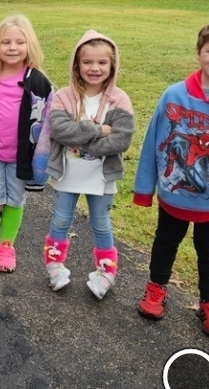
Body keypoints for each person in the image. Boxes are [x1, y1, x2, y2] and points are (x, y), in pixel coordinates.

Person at [133, 16, 209, 340]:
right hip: (174, 195)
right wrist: (144, 189)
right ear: (198, 52)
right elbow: (152, 141)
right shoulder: (175, 95)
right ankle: (155, 288)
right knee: (165, 241)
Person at [43, 30, 134, 299]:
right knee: (61, 220)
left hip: (102, 177)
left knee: (101, 223)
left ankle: (106, 271)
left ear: (112, 66)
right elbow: (59, 130)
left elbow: (122, 139)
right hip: (67, 173)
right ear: (76, 65)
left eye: (102, 63)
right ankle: (54, 265)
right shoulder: (64, 96)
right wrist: (98, 129)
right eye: (87, 62)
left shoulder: (119, 99)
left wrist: (83, 140)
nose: (94, 68)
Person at [0, 15, 54, 273]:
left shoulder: (39, 82)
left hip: (22, 156)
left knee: (15, 200)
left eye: (20, 41)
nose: (13, 47)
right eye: (6, 42)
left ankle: (7, 244)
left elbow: (51, 119)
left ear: (30, 45)